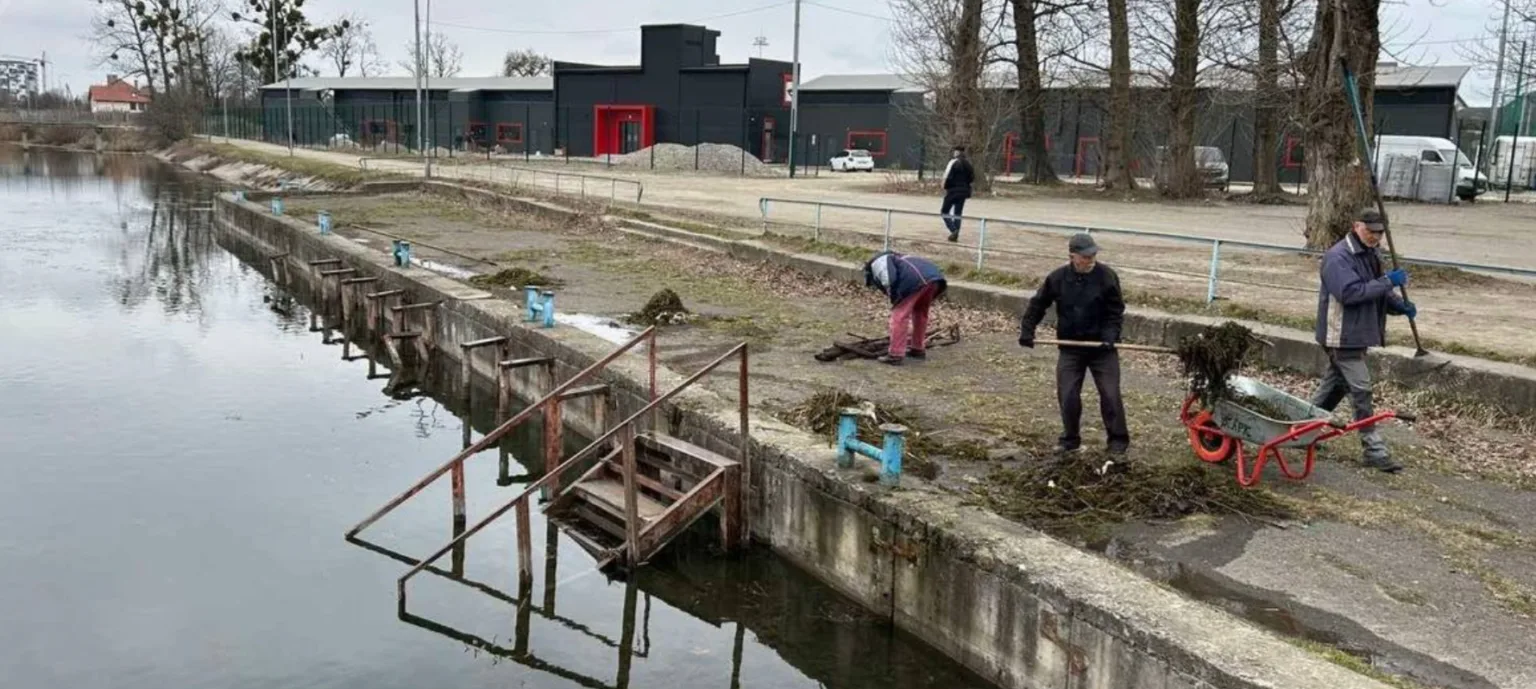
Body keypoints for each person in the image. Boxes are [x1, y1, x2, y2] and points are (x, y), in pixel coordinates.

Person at [1312, 209, 1414, 473]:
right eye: (1371, 231)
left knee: (1335, 387)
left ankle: (1301, 431)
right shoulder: (1338, 258)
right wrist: (1386, 282)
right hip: (1340, 335)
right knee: (1361, 388)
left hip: (1357, 333)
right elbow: (1351, 293)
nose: (1376, 237)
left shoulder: (1371, 254)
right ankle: (1374, 449)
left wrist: (1399, 305)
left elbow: (1377, 290)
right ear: (1357, 226)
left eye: (1380, 232)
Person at [1017, 233, 1130, 455]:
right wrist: (1027, 330)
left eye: (1093, 255)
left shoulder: (1107, 276)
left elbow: (1115, 311)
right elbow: (1038, 304)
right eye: (1086, 256)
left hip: (1101, 349)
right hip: (1071, 347)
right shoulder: (1057, 278)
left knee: (1110, 393)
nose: (1091, 260)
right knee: (1067, 393)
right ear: (1073, 256)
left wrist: (1110, 335)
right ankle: (1070, 439)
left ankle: (1117, 440)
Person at [862, 251, 948, 366]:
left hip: (915, 281)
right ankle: (917, 348)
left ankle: (895, 354)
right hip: (935, 280)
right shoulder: (902, 258)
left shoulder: (878, 262)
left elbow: (889, 279)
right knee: (920, 313)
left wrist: (894, 300)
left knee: (899, 316)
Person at [940, 146, 975, 243]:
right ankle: (956, 234)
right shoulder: (968, 164)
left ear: (956, 152)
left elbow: (946, 176)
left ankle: (953, 229)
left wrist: (944, 186)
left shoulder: (953, 162)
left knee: (944, 211)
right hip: (964, 191)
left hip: (953, 190)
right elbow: (972, 178)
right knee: (958, 213)